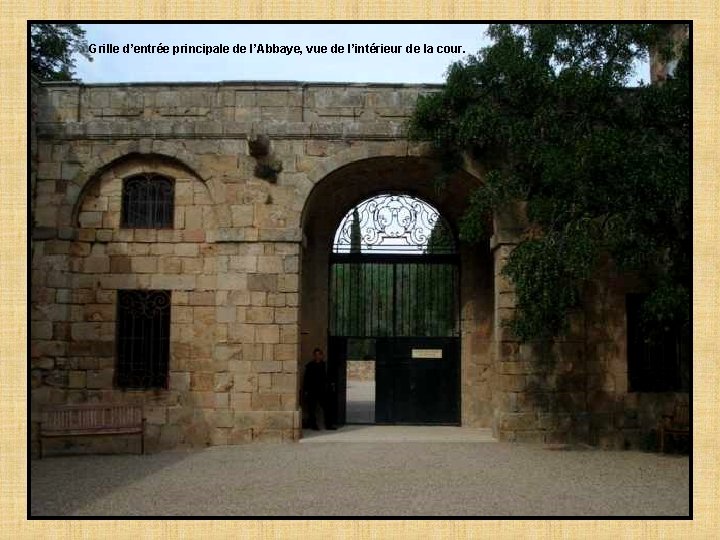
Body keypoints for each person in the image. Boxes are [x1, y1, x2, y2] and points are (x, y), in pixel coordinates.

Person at [303, 348, 336, 430]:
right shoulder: (310, 366)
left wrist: (330, 387)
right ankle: (313, 425)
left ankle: (328, 425)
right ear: (314, 356)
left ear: (322, 355)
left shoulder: (325, 365)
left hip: (323, 390)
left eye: (319, 355)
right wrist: (306, 390)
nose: (317, 356)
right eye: (316, 355)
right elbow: (306, 379)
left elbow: (328, 377)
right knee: (312, 409)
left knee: (327, 408)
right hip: (312, 390)